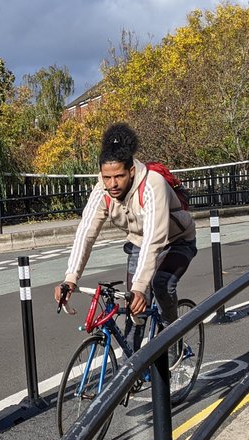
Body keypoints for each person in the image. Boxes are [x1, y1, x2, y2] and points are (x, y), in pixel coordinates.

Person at [54, 123, 197, 328]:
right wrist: (70, 279)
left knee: (160, 285)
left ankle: (172, 335)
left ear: (131, 171)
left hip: (176, 241)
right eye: (107, 177)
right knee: (133, 307)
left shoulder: (152, 185)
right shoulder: (102, 189)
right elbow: (86, 233)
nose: (112, 184)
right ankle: (133, 359)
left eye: (119, 176)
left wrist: (140, 286)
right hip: (139, 242)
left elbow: (153, 240)